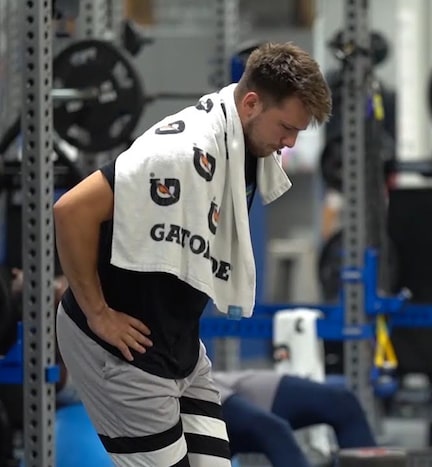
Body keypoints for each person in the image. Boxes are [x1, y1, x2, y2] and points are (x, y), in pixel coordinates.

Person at [54, 42, 332, 467]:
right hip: (122, 349)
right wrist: (97, 314)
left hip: (180, 345)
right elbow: (70, 210)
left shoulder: (242, 146)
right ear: (253, 103)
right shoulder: (179, 153)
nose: (290, 142)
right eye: (286, 127)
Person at [212, 370, 376, 467]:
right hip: (205, 424)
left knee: (343, 405)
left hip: (243, 392)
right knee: (272, 431)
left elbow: (272, 429)